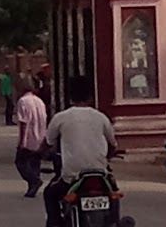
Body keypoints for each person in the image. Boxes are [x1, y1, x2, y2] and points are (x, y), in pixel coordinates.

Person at [42, 76, 117, 227]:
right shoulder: (101, 117)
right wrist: (106, 158)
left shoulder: (60, 118)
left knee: (49, 194)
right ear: (90, 97)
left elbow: (47, 143)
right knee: (113, 193)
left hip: (72, 178)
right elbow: (113, 145)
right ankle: (114, 221)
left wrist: (40, 153)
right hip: (100, 174)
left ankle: (55, 223)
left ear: (70, 97)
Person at [14, 76, 49, 198]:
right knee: (35, 163)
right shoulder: (39, 101)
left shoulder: (23, 101)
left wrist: (21, 141)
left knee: (20, 163)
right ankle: (32, 187)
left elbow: (24, 122)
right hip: (40, 137)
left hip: (29, 138)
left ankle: (34, 181)